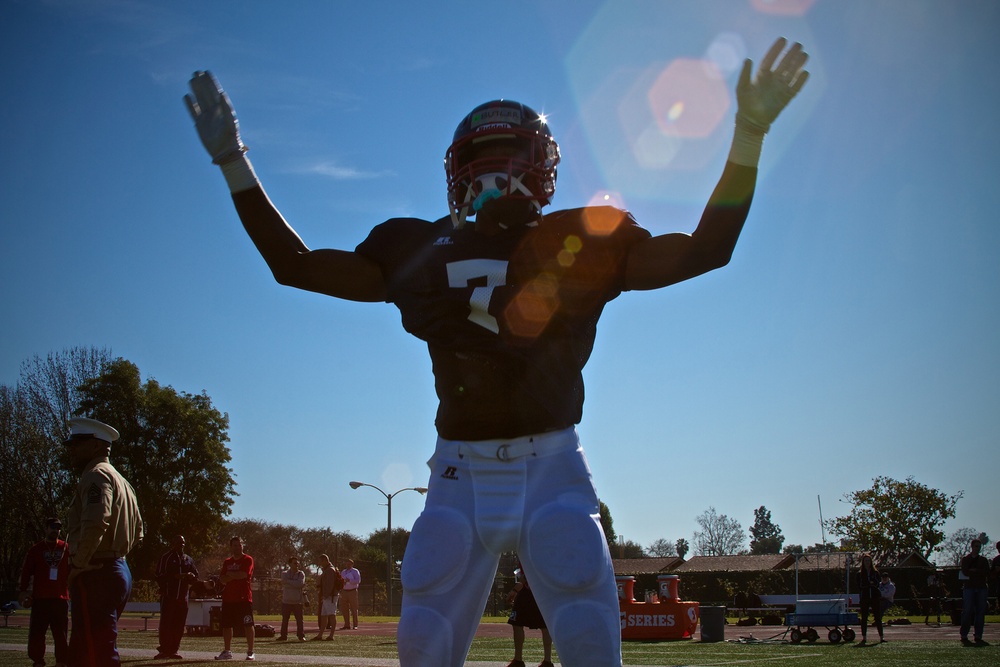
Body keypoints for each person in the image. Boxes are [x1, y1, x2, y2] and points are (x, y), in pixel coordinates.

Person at [185, 36, 808, 667]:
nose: (497, 172)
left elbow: (706, 250)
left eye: (510, 155)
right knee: (429, 638)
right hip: (472, 472)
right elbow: (293, 267)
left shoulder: (458, 247)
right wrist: (749, 134)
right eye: (489, 159)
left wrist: (235, 164)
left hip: (540, 467)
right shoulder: (539, 241)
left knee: (585, 639)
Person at [63, 417, 143, 667]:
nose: (71, 449)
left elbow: (97, 522)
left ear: (97, 446)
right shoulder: (122, 480)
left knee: (95, 653)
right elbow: (139, 530)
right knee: (87, 651)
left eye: (77, 443)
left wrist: (78, 563)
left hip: (96, 572)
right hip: (116, 567)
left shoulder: (96, 476)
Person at [18, 517, 70, 667]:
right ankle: (38, 661)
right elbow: (26, 572)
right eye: (52, 527)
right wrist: (23, 591)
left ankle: (61, 661)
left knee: (61, 635)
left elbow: (73, 570)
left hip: (60, 599)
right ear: (46, 528)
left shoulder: (66, 548)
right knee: (37, 634)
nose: (56, 530)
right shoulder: (36, 549)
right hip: (41, 599)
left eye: (58, 527)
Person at [155, 535, 199, 659]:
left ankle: (174, 649)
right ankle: (164, 649)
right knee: (166, 623)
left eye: (183, 542)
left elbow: (196, 576)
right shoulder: (166, 558)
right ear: (173, 543)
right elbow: (159, 575)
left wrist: (191, 576)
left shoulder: (188, 559)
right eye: (179, 542)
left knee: (179, 625)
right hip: (169, 595)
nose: (182, 545)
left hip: (183, 597)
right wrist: (175, 576)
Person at [215, 536, 255, 660]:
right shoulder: (227, 561)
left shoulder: (247, 559)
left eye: (240, 545)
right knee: (227, 625)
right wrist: (233, 576)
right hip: (228, 598)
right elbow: (222, 578)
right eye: (235, 545)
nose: (238, 547)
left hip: (243, 598)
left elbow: (243, 574)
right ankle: (227, 651)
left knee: (248, 624)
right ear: (231, 547)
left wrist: (230, 575)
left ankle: (250, 651)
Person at [506, 565, 553, 667]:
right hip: (535, 590)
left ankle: (546, 660)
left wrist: (515, 589)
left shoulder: (533, 551)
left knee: (544, 626)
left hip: (536, 589)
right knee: (517, 622)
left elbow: (530, 571)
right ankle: (545, 660)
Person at [959, 538, 990, 646]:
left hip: (981, 587)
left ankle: (978, 635)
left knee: (980, 612)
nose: (977, 548)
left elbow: (985, 572)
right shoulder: (966, 559)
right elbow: (965, 571)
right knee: (967, 611)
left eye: (979, 546)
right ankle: (964, 634)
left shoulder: (983, 560)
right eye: (976, 546)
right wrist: (976, 572)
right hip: (969, 587)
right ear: (972, 547)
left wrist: (974, 571)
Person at [856, 553, 884, 644]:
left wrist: (872, 584)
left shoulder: (875, 572)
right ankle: (864, 637)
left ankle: (881, 637)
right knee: (864, 617)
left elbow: (877, 583)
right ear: (863, 562)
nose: (867, 562)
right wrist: (868, 584)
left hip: (875, 597)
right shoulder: (860, 573)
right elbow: (860, 585)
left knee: (877, 617)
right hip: (865, 597)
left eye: (869, 561)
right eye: (865, 561)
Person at [277, 556, 307, 641]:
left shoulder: (301, 574)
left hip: (298, 601)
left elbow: (300, 584)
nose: (296, 565)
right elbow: (284, 582)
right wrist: (294, 583)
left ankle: (301, 635)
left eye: (297, 563)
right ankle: (283, 636)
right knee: (285, 620)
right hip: (286, 601)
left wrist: (289, 582)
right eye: (294, 563)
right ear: (290, 564)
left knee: (300, 620)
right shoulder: (284, 573)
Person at [313, 554, 341, 640]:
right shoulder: (327, 570)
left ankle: (331, 635)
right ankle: (320, 635)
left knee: (332, 615)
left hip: (330, 596)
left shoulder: (330, 570)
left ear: (325, 561)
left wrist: (325, 595)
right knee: (324, 615)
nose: (320, 563)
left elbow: (330, 584)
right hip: (326, 596)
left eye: (321, 561)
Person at [340, 559, 360, 630]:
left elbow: (358, 581)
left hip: (352, 591)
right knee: (344, 608)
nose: (348, 565)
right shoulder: (343, 572)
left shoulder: (355, 571)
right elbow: (341, 580)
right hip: (344, 591)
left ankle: (355, 625)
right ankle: (347, 624)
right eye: (347, 564)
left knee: (354, 608)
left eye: (349, 564)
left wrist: (350, 580)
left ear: (352, 564)